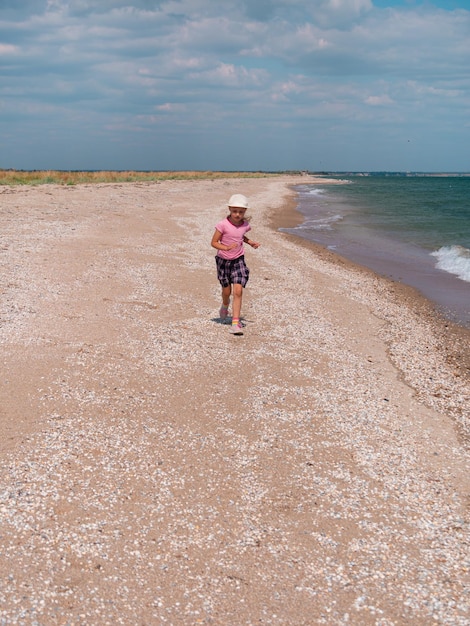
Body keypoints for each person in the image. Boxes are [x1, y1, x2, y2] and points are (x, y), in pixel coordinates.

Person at [211, 194, 260, 335]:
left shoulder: (245, 225)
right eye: (234, 211)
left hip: (238, 260)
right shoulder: (222, 225)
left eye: (241, 212)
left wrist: (250, 242)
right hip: (223, 261)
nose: (237, 214)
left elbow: (240, 235)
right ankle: (225, 304)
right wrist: (225, 248)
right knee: (227, 291)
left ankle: (235, 322)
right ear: (229, 209)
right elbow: (213, 242)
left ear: (245, 212)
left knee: (238, 291)